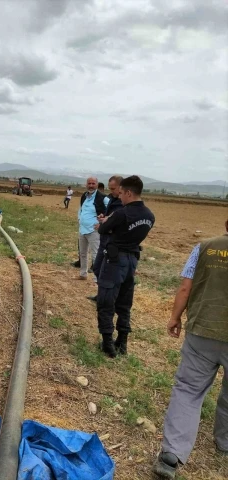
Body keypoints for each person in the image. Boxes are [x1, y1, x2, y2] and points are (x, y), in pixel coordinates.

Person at [153, 219, 228, 479]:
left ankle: (171, 455)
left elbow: (186, 286)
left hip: (203, 331)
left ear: (227, 224)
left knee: (188, 391)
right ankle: (225, 443)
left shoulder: (204, 248)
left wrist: (175, 317)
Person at [97, 175, 155, 357]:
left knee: (106, 300)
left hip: (114, 261)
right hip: (132, 261)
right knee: (124, 303)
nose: (119, 196)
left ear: (129, 193)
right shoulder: (149, 216)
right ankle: (122, 341)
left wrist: (107, 223)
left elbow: (103, 230)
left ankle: (108, 343)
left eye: (121, 193)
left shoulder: (122, 213)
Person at [88, 175, 124, 302]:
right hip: (104, 240)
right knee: (97, 268)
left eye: (113, 188)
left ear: (121, 187)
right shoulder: (111, 199)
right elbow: (110, 216)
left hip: (112, 243)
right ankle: (102, 294)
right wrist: (104, 217)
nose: (111, 191)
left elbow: (118, 222)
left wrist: (105, 222)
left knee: (107, 273)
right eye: (110, 188)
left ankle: (108, 297)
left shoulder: (123, 204)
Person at [78, 177, 109, 280]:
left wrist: (102, 224)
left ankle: (97, 278)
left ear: (97, 184)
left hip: (94, 231)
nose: (91, 185)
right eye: (89, 183)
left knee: (96, 254)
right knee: (83, 253)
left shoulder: (103, 198)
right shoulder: (84, 196)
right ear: (86, 184)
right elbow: (81, 209)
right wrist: (80, 219)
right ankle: (83, 274)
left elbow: (112, 211)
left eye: (93, 183)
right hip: (82, 229)